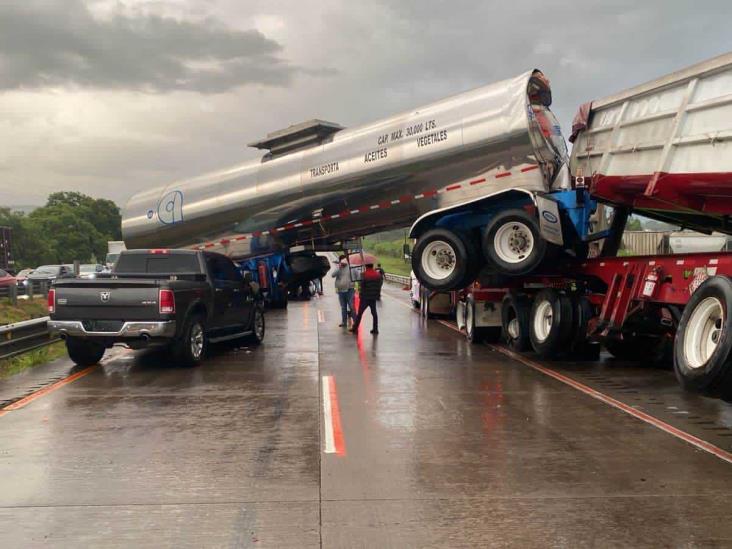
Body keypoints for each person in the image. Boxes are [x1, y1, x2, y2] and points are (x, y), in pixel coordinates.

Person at [350, 262, 382, 335]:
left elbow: (362, 285)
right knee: (374, 313)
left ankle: (355, 328)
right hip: (373, 297)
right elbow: (379, 285)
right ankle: (375, 329)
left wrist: (360, 294)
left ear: (366, 266)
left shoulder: (364, 275)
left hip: (365, 297)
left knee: (360, 313)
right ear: (372, 266)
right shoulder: (377, 275)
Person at [331, 256, 355, 327]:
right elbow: (332, 275)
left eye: (344, 261)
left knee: (351, 306)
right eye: (341, 261)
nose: (343, 262)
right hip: (341, 291)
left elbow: (357, 275)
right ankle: (344, 322)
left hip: (350, 289)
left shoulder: (350, 267)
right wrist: (339, 267)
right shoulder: (339, 268)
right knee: (343, 307)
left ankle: (355, 321)